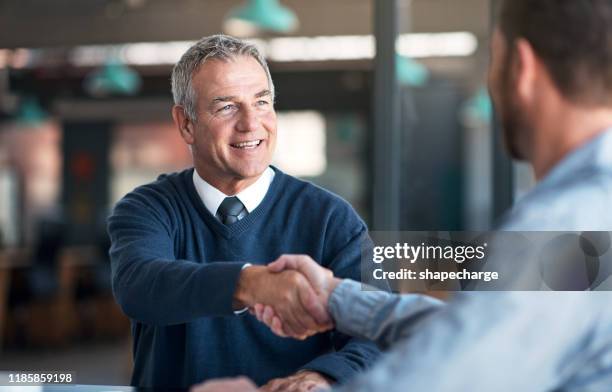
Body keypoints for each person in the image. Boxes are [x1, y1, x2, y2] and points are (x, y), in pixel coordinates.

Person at [191, 0, 612, 391]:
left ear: (521, 68)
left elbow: (453, 376)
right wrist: (338, 296)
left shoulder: (573, 220)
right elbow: (474, 328)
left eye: (494, 60)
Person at [107, 34, 381, 390]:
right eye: (227, 107)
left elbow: (375, 335)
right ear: (186, 123)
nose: (251, 123)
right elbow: (139, 286)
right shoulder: (147, 209)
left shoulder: (332, 220)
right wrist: (251, 283)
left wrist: (322, 376)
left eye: (262, 103)